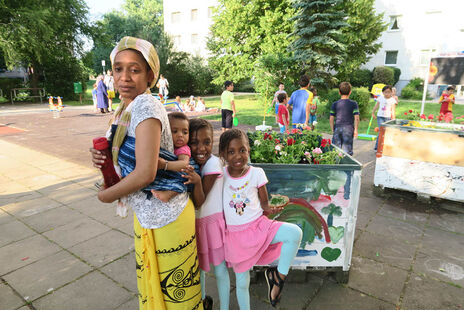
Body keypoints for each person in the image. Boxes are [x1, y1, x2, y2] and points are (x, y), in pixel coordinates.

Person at [89, 36, 202, 309]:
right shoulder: (124, 108)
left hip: (167, 216)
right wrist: (103, 158)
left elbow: (145, 173)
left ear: (150, 74)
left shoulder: (145, 105)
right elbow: (130, 155)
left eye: (134, 69)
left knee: (178, 300)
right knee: (158, 295)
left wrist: (105, 197)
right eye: (118, 68)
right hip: (149, 215)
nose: (124, 77)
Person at [219, 129, 303, 309]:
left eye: (242, 150)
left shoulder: (257, 173)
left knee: (294, 233)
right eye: (231, 152)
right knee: (242, 284)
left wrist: (272, 208)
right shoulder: (221, 175)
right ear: (223, 155)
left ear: (248, 149)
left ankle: (278, 278)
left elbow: (264, 204)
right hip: (236, 238)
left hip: (258, 227)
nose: (238, 156)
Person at [189, 118, 230, 310]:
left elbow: (200, 200)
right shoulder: (190, 162)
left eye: (206, 142)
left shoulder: (213, 165)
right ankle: (203, 301)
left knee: (220, 269)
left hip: (212, 225)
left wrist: (196, 181)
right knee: (200, 269)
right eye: (194, 142)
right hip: (196, 225)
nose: (201, 148)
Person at [150, 112, 191, 203]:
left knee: (181, 183)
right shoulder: (167, 146)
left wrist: (164, 165)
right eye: (174, 131)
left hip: (182, 176)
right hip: (170, 175)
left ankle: (168, 195)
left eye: (185, 132)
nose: (180, 135)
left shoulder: (183, 149)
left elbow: (184, 164)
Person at [330, 82, 360, 156]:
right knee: (347, 151)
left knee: (335, 151)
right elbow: (357, 118)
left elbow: (331, 118)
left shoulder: (335, 104)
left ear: (339, 92)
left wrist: (332, 129)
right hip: (349, 129)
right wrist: (356, 129)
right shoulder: (353, 104)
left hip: (337, 127)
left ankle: (337, 166)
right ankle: (347, 165)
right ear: (350, 92)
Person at [372, 85, 396, 151]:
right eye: (385, 92)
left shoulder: (392, 100)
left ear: (391, 93)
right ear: (383, 92)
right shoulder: (380, 98)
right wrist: (373, 113)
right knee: (381, 131)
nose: (387, 94)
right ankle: (377, 148)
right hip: (380, 117)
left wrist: (393, 119)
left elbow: (393, 110)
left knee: (387, 133)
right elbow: (376, 106)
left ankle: (385, 147)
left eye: (389, 92)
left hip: (388, 118)